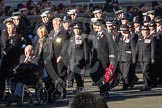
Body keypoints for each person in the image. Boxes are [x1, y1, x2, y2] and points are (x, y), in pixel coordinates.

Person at [89, 20, 117, 98]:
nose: (97, 27)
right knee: (93, 74)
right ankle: (103, 88)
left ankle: (104, 91)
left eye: (99, 26)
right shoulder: (95, 34)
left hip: (104, 58)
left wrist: (112, 58)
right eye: (96, 26)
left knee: (102, 75)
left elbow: (112, 47)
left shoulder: (107, 34)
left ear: (103, 26)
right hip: (95, 58)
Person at [0, 22, 22, 100]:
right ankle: (2, 95)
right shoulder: (6, 37)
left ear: (14, 29)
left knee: (12, 78)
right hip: (5, 61)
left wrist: (4, 51)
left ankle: (14, 94)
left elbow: (13, 46)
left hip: (13, 61)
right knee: (2, 78)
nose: (9, 30)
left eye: (10, 28)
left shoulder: (17, 37)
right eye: (8, 29)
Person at [65, 23, 89, 91]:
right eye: (75, 29)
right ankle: (78, 87)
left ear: (80, 30)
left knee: (80, 74)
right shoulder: (72, 38)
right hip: (72, 59)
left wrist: (86, 59)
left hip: (80, 59)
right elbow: (69, 48)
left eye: (78, 29)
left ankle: (80, 87)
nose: (76, 31)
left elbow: (86, 49)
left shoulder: (83, 38)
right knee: (74, 74)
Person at [133, 26, 156, 91]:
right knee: (144, 72)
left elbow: (153, 49)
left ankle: (149, 83)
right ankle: (147, 85)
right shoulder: (140, 38)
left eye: (146, 30)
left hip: (148, 58)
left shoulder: (152, 38)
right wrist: (134, 56)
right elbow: (137, 48)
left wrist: (153, 58)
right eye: (143, 30)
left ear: (148, 31)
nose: (144, 32)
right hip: (141, 58)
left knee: (145, 71)